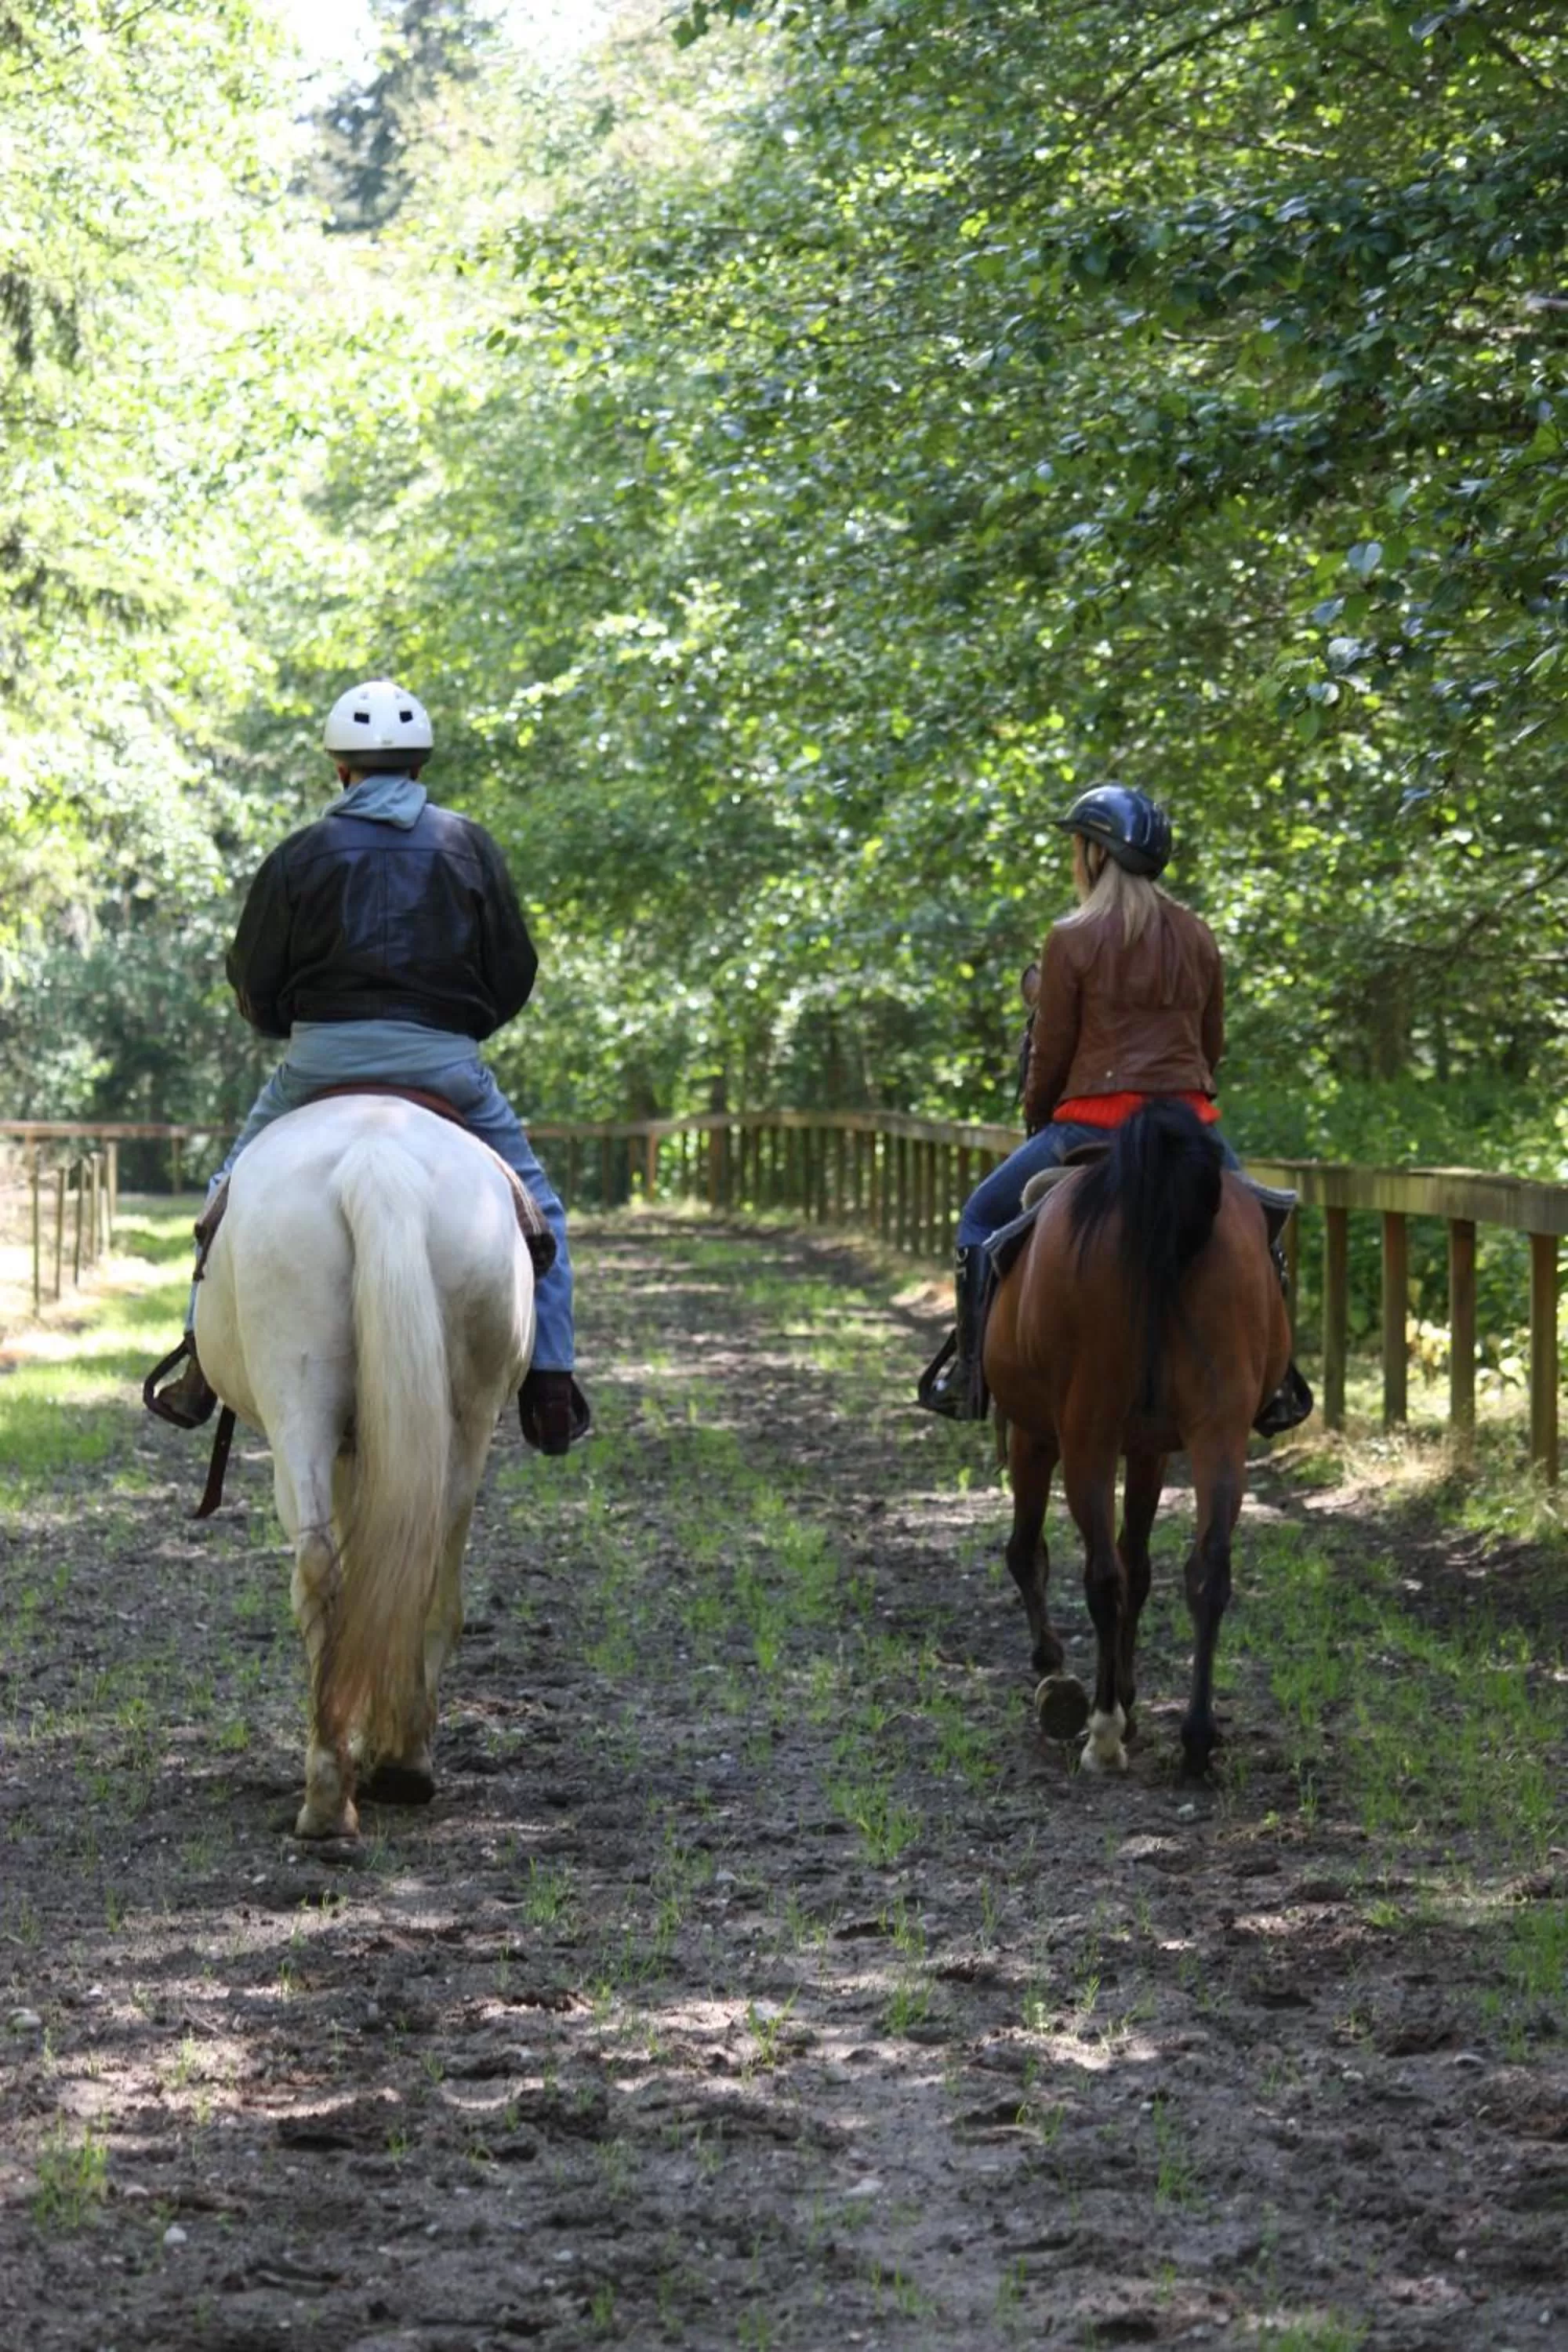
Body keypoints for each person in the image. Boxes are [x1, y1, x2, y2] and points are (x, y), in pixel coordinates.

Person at [147, 677, 590, 1457]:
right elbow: (512, 969)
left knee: (227, 1195)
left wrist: (279, 1021)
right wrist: (464, 1026)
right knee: (540, 1210)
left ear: (340, 771)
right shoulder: (468, 847)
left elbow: (253, 977)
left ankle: (198, 1368)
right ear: (418, 771)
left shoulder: (299, 857)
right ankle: (550, 1383)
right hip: (446, 1065)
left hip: (320, 1064)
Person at [918, 781, 1310, 1434]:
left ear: (1095, 856)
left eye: (1077, 847)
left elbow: (1052, 1049)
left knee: (981, 1219)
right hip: (1190, 1125)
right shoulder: (1199, 935)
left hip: (1089, 1126)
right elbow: (1210, 1046)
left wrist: (1042, 1114)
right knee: (1262, 1227)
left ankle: (969, 1374)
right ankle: (1276, 1380)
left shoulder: (1071, 937)